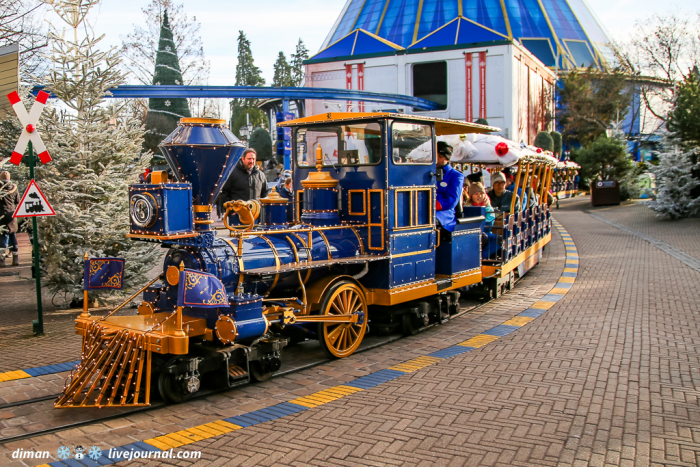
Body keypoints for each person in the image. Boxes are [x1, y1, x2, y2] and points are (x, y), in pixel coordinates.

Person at [218, 149, 270, 215]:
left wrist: (261, 209)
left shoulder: (261, 175)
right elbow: (224, 192)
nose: (251, 161)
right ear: (243, 159)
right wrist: (231, 211)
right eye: (249, 158)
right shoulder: (232, 173)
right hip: (237, 215)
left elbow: (265, 193)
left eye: (253, 159)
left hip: (255, 215)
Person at [435, 141, 464, 232]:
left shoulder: (456, 175)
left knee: (429, 221)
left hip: (444, 213)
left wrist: (435, 205)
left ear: (443, 157)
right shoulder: (427, 172)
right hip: (425, 209)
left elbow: (451, 200)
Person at [0, 172, 20, 267]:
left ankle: (2, 259)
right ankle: (15, 258)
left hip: (1, 215)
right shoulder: (14, 188)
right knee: (12, 235)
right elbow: (17, 201)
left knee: (2, 236)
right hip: (12, 214)